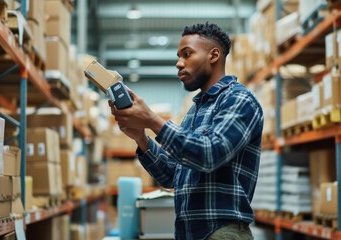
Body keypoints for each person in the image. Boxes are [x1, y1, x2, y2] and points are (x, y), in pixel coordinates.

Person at [109, 22, 263, 240]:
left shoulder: (239, 100)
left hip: (221, 232)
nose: (179, 63)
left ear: (214, 55)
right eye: (178, 56)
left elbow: (209, 154)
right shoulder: (194, 110)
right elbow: (172, 175)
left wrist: (154, 121)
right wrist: (141, 138)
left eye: (187, 54)